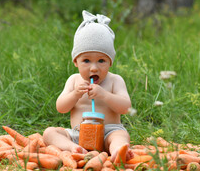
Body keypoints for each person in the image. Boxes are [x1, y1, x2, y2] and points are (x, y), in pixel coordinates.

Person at [43, 10, 133, 162]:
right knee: (49, 133)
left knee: (121, 136)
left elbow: (125, 108)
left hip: (108, 132)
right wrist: (75, 95)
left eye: (101, 61)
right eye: (86, 61)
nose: (94, 68)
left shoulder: (115, 80)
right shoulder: (73, 80)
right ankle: (74, 148)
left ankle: (118, 150)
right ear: (75, 62)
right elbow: (61, 107)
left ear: (110, 62)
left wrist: (104, 95)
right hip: (79, 134)